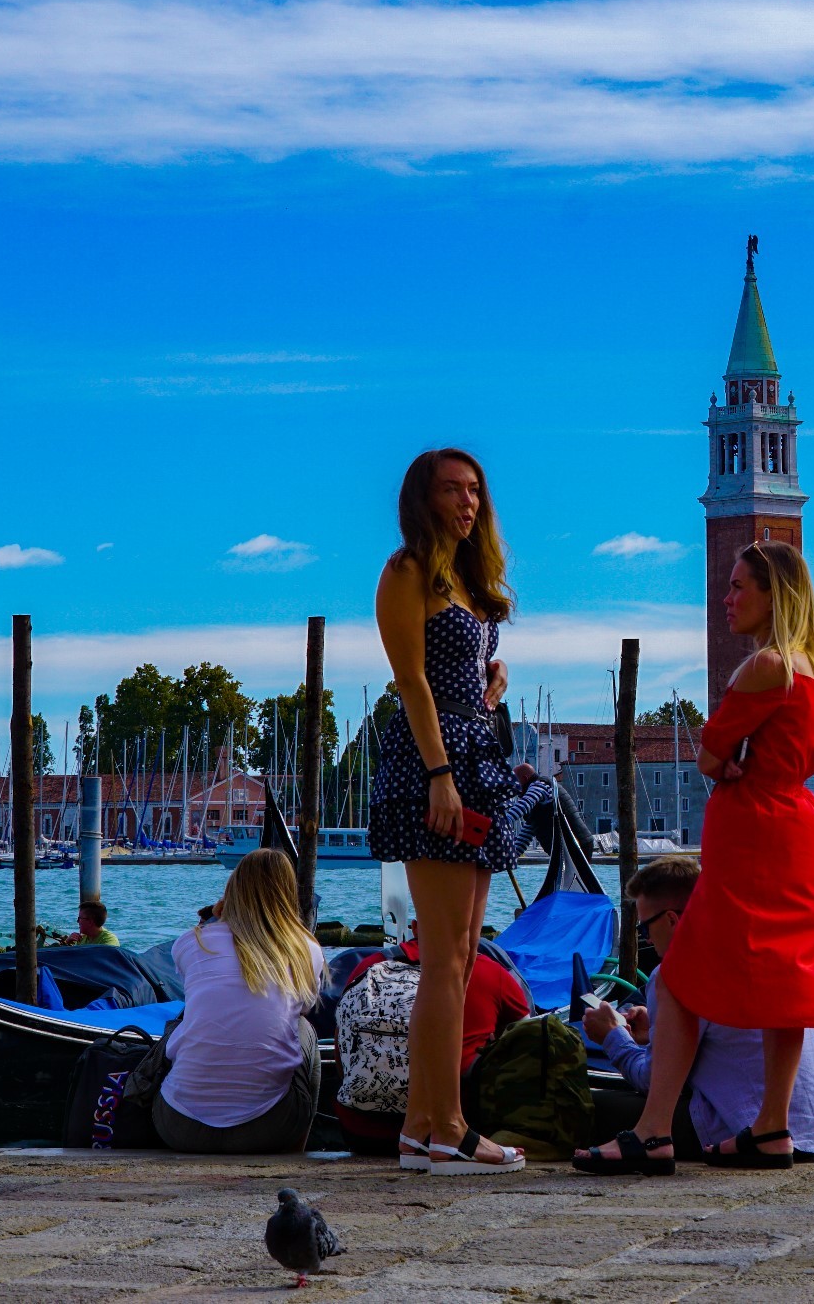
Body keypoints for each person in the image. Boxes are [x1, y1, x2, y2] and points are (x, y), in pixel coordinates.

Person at [575, 542, 814, 1174]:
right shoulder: (812, 671)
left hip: (753, 834)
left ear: (772, 595)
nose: (726, 599)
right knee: (788, 985)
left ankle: (652, 1132)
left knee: (676, 978)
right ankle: (771, 1128)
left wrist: (726, 759)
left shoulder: (762, 669)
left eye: (738, 587)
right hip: (798, 833)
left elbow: (709, 754)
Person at [370, 447, 548, 1175]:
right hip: (432, 764)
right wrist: (440, 774)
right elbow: (411, 681)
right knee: (444, 959)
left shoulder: (473, 585)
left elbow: (454, 676)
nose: (466, 500)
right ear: (423, 497)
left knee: (464, 956)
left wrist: (491, 682)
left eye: (474, 489)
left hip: (478, 757)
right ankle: (447, 1125)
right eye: (451, 489)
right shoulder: (406, 571)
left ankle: (421, 1125)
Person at [584, 855, 814, 1159]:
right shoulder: (767, 946)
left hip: (744, 1132)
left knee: (585, 1107)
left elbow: (651, 1082)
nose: (646, 939)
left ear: (671, 920)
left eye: (644, 929)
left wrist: (614, 1036)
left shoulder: (679, 971)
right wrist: (658, 1027)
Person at [153, 849, 325, 1154]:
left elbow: (208, 987)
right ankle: (298, 1151)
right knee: (303, 1029)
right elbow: (303, 1006)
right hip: (268, 1130)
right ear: (289, 894)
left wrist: (216, 919)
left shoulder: (193, 941)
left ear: (232, 888)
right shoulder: (306, 950)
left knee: (187, 1016)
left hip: (180, 1127)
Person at [336, 920, 532, 1156]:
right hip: (459, 1134)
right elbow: (526, 1042)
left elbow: (342, 1049)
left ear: (415, 927)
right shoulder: (491, 972)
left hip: (361, 1131)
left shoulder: (367, 967)